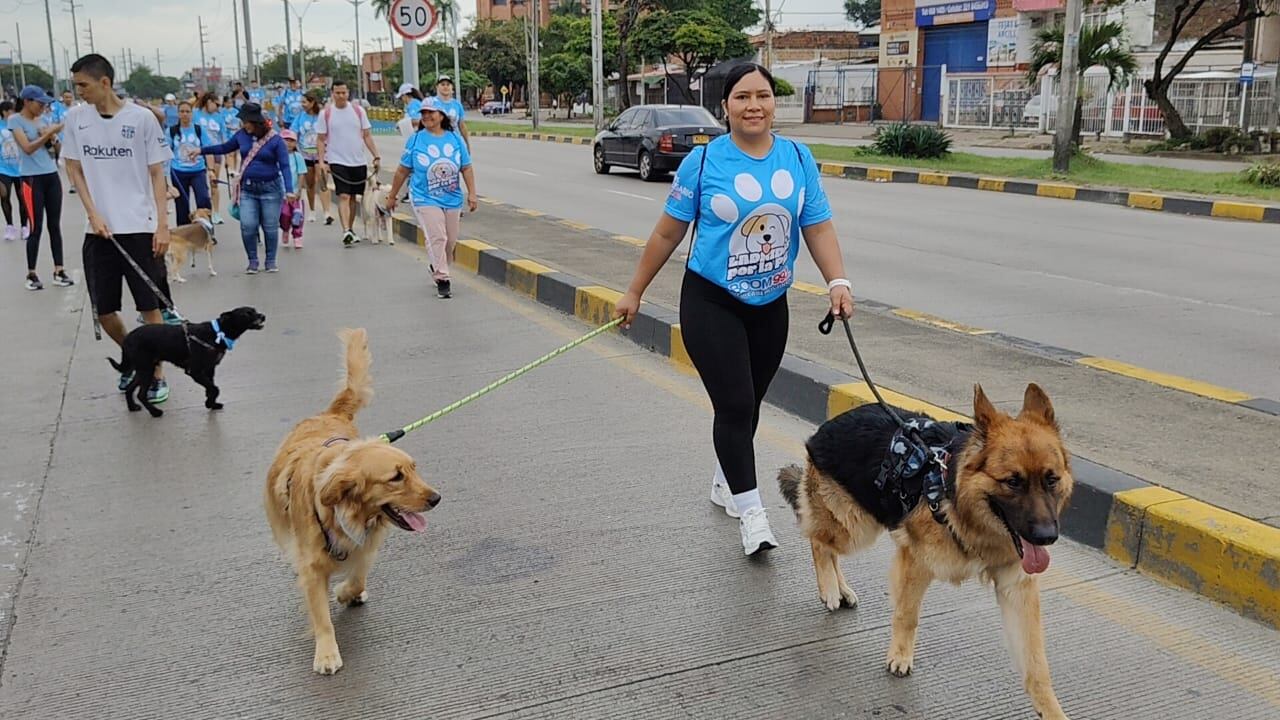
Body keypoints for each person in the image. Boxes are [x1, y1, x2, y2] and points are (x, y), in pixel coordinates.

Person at [613, 63, 854, 556]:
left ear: (773, 102)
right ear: (725, 106)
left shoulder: (797, 158)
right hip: (711, 299)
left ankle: (727, 480)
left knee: (749, 406)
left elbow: (819, 226)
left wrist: (838, 281)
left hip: (770, 303)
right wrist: (634, 291)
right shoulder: (703, 163)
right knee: (736, 403)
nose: (754, 106)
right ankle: (752, 514)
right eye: (742, 97)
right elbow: (667, 233)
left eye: (762, 96)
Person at [63, 54, 174, 403]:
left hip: (140, 227)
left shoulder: (141, 119)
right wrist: (93, 213)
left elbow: (158, 174)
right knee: (105, 310)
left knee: (149, 308)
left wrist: (162, 225)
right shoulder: (75, 119)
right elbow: (74, 169)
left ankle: (155, 373)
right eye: (75, 85)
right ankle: (133, 358)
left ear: (105, 82)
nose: (78, 92)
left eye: (83, 85)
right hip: (98, 232)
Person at [385, 98, 477, 300]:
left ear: (441, 115)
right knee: (438, 236)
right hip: (424, 197)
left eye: (431, 112)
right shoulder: (416, 140)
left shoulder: (455, 139)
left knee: (450, 241)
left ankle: (437, 264)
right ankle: (443, 278)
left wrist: (471, 193)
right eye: (423, 113)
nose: (426, 116)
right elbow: (402, 171)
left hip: (452, 198)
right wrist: (392, 196)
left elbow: (466, 167)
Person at [196, 102, 295, 273]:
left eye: (246, 121)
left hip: (271, 189)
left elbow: (285, 166)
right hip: (248, 189)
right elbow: (224, 147)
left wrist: (289, 189)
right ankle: (253, 260)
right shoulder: (241, 135)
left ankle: (270, 260)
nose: (244, 124)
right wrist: (201, 151)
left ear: (256, 122)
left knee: (270, 226)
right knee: (248, 225)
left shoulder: (275, 140)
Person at [9, 86, 71, 290]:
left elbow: (57, 150)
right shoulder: (15, 120)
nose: (43, 107)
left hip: (50, 174)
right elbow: (27, 148)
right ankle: (31, 273)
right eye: (39, 103)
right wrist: (47, 134)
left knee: (55, 225)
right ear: (27, 101)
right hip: (31, 178)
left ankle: (59, 269)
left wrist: (54, 138)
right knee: (35, 227)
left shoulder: (43, 121)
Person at [315, 80, 379, 247]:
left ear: (348, 93)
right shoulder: (326, 114)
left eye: (344, 93)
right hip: (337, 160)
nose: (341, 96)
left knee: (352, 197)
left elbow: (367, 135)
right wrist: (322, 161)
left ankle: (350, 229)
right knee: (343, 195)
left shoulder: (358, 111)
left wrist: (376, 156)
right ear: (332, 94)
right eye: (337, 93)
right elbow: (321, 139)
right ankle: (346, 231)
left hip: (358, 160)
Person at [168, 101, 212, 227]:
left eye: (187, 111)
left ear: (192, 113)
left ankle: (206, 229)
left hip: (198, 170)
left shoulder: (199, 130)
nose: (185, 114)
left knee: (203, 199)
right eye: (182, 111)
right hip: (178, 171)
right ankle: (184, 232)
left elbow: (207, 150)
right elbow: (166, 153)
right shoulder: (171, 131)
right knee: (182, 204)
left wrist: (211, 170)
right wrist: (165, 178)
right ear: (178, 113)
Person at [294, 91, 333, 225]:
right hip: (305, 154)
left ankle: (327, 212)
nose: (302, 105)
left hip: (321, 154)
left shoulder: (322, 116)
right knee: (310, 184)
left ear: (312, 103)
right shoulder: (300, 117)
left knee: (322, 181)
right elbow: (294, 133)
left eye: (304, 102)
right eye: (301, 102)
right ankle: (311, 210)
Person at [0, 101, 29, 241]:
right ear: (5, 112)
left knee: (22, 198)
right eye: (11, 111)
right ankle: (10, 226)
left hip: (21, 168)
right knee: (4, 196)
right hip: (3, 168)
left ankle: (24, 226)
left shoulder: (19, 125)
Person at [279, 129, 306, 249]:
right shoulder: (276, 157)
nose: (288, 144)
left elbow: (301, 173)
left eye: (291, 141)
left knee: (297, 215)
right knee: (284, 215)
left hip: (295, 193)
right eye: (286, 140)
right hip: (281, 194)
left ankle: (297, 236)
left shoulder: (297, 157)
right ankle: (285, 229)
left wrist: (299, 190)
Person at [433, 75, 470, 152]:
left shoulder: (457, 104)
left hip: (454, 143)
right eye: (442, 84)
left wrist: (467, 144)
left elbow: (462, 126)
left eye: (448, 84)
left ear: (452, 87)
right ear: (437, 87)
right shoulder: (432, 103)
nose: (445, 87)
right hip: (437, 144)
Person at [221, 96, 242, 177]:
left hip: (237, 133)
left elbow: (240, 122)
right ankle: (231, 169)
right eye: (228, 102)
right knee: (230, 153)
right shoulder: (222, 112)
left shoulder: (236, 111)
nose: (230, 104)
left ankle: (237, 170)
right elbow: (222, 124)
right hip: (228, 134)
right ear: (225, 103)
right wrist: (229, 127)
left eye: (231, 102)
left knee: (237, 153)